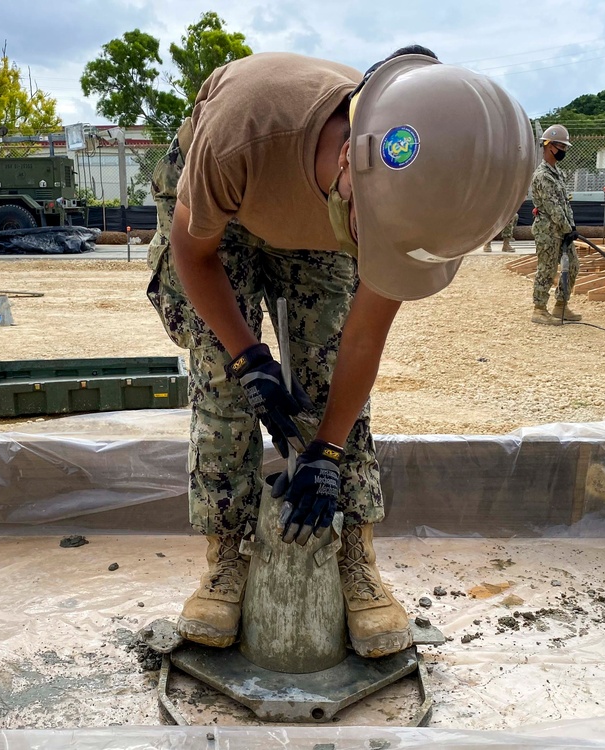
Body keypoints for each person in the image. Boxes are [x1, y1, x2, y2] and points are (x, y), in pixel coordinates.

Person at [147, 48, 535, 657]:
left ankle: (354, 547)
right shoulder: (239, 136)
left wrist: (327, 451)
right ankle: (228, 552)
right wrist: (249, 357)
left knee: (329, 382)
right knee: (222, 376)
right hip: (227, 206)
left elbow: (361, 338)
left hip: (319, 213)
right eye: (366, 227)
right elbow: (195, 257)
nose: (369, 241)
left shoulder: (415, 198)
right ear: (351, 159)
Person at [531, 124, 582, 325]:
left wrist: (571, 227)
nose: (563, 150)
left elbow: (564, 204)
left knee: (573, 265)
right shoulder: (543, 175)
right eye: (561, 146)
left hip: (562, 230)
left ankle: (561, 305)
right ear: (549, 146)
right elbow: (553, 208)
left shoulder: (556, 173)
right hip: (548, 231)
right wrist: (568, 228)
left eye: (565, 147)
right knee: (547, 269)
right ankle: (539, 309)